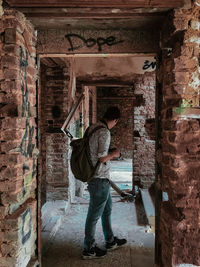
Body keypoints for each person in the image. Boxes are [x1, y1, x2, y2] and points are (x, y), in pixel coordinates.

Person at [82, 106, 127, 260]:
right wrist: (114, 154)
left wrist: (109, 152)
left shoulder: (93, 127)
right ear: (115, 120)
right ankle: (88, 248)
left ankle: (110, 240)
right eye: (116, 122)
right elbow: (102, 158)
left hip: (99, 177)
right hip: (98, 178)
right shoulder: (104, 132)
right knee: (94, 214)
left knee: (107, 209)